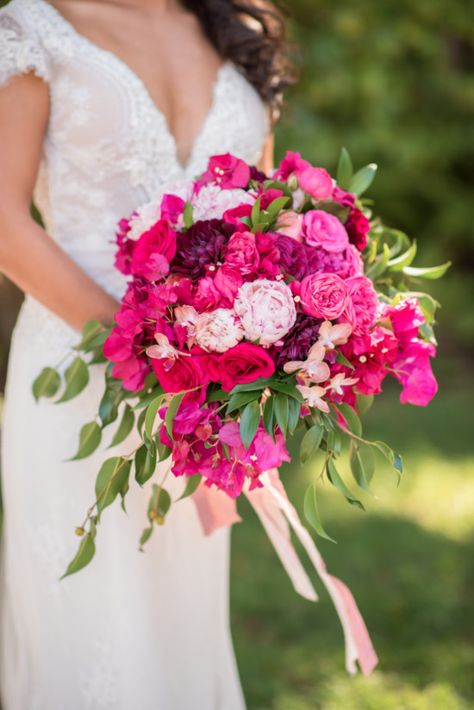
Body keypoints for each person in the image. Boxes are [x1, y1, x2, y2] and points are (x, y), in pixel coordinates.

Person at [0, 1, 291, 707]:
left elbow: (263, 217)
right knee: (95, 632)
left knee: (178, 631)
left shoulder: (233, 31)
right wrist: (151, 356)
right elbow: (4, 224)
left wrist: (281, 347)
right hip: (78, 379)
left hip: (201, 400)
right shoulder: (32, 29)